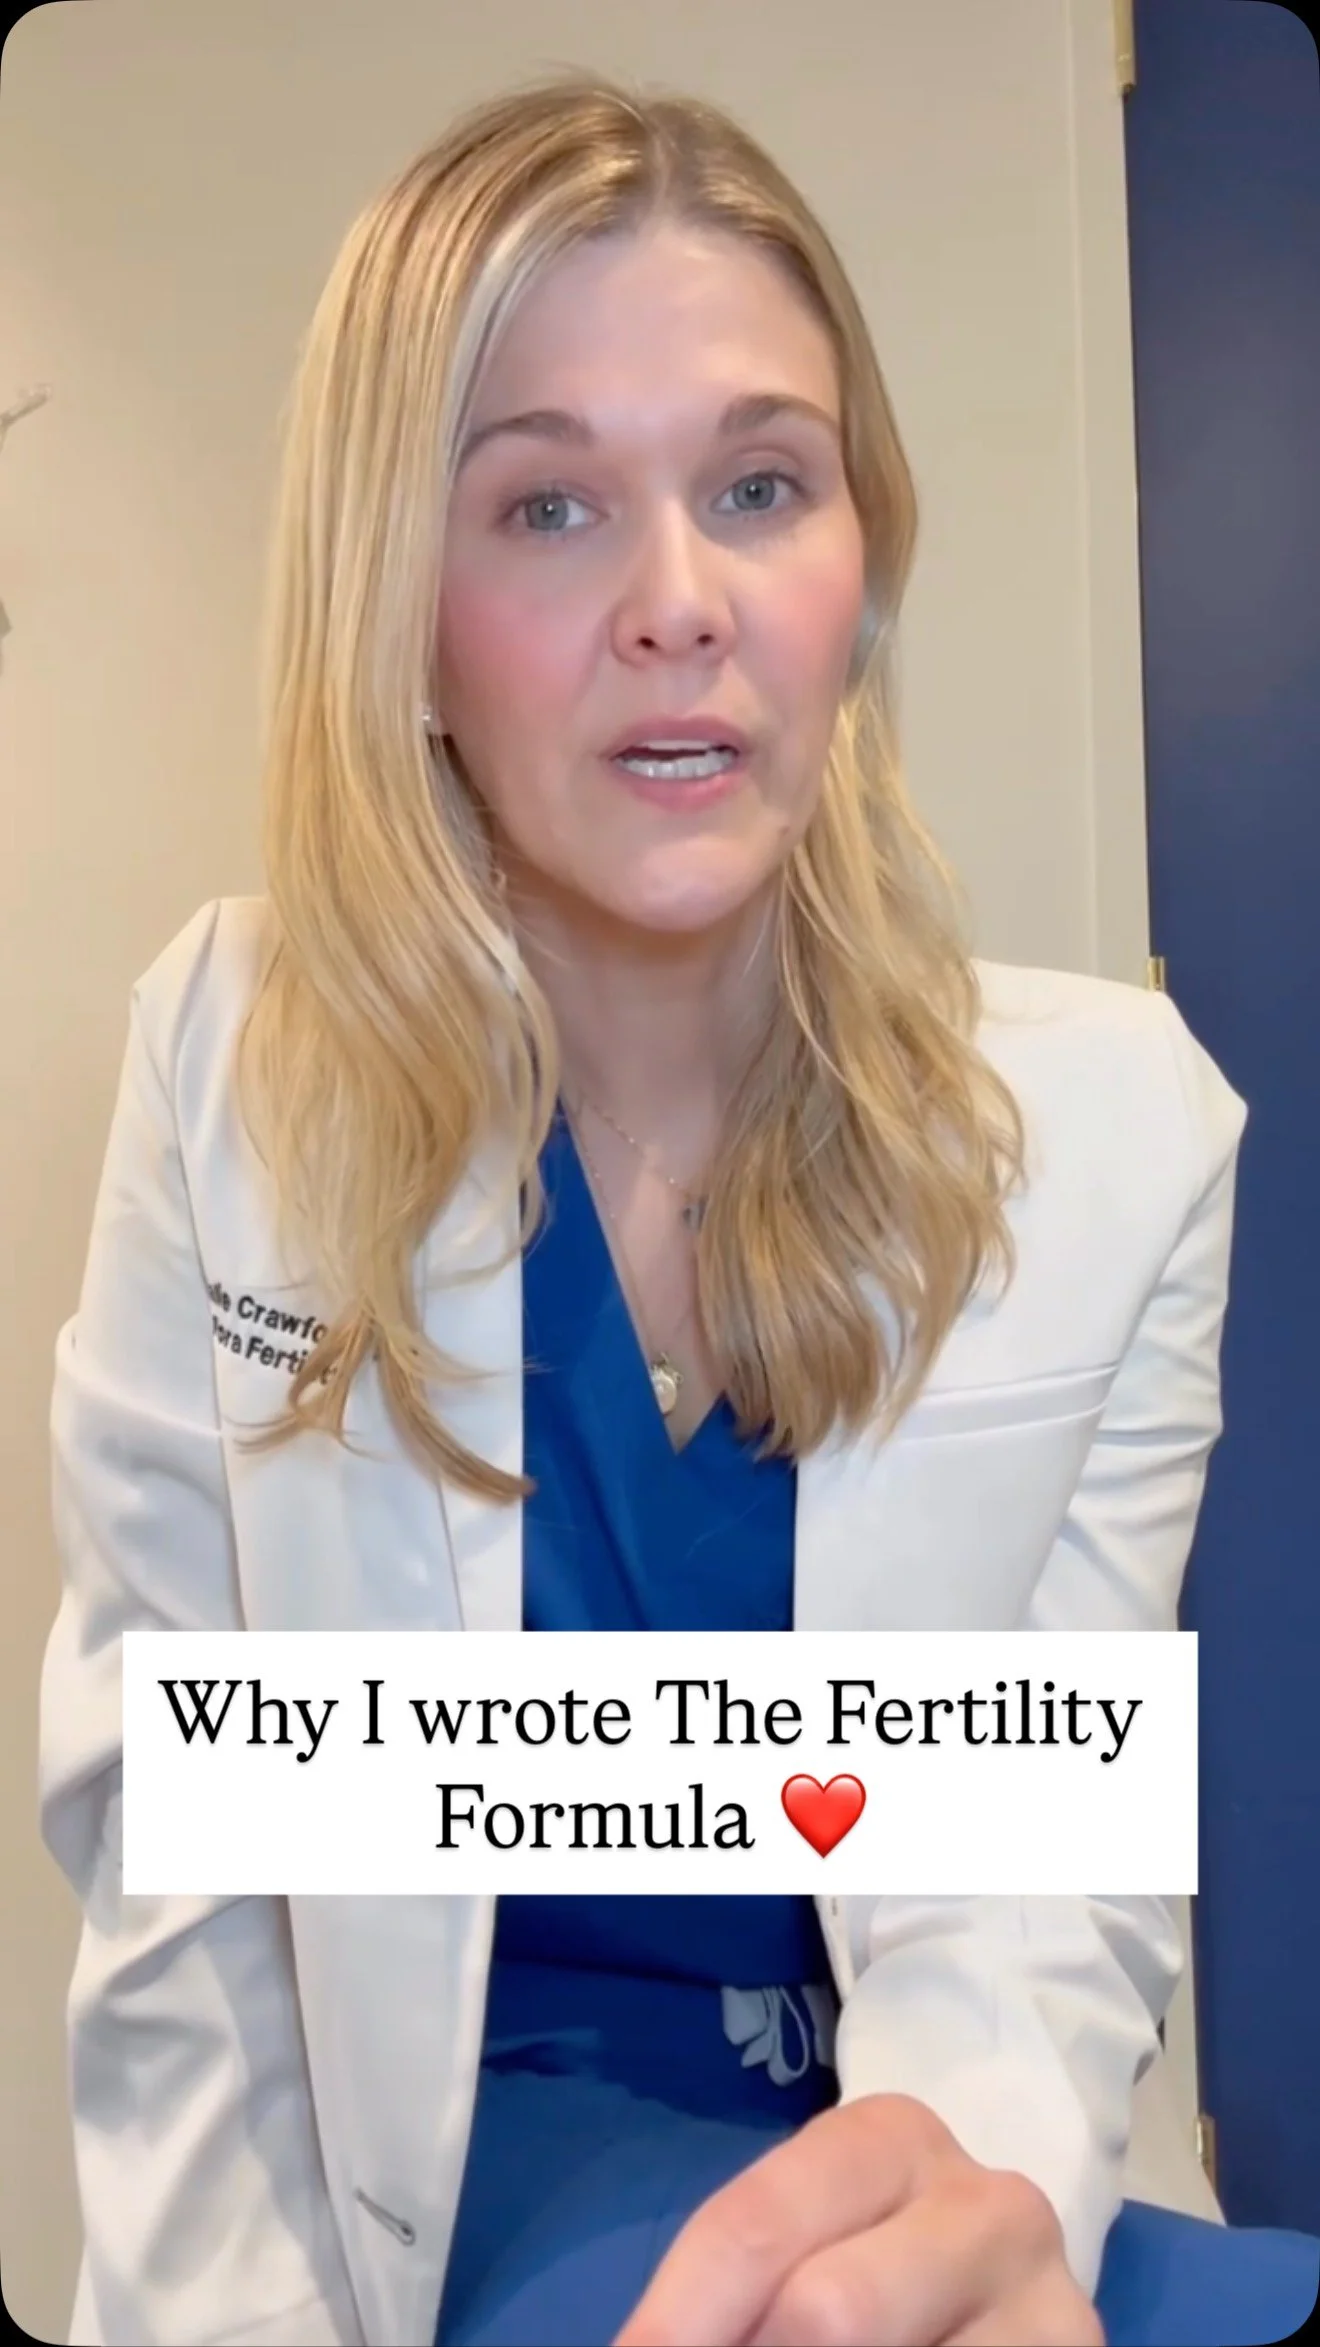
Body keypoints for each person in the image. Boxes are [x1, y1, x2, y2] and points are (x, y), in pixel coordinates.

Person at [37, 68, 1319, 2347]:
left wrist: (941, 2249)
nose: (679, 605)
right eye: (547, 506)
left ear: (861, 568)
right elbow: (187, 1874)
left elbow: (1047, 1873)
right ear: (400, 616)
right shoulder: (234, 1071)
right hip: (457, 2190)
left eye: (759, 485)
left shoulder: (1123, 1140)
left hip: (923, 2154)